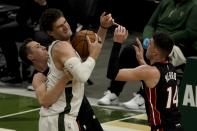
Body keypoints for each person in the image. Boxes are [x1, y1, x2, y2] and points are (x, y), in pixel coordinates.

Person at [20, 8, 115, 131]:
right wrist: (65, 78)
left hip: (77, 109)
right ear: (30, 56)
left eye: (65, 22)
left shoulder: (62, 51)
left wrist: (103, 27)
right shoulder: (45, 68)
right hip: (61, 116)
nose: (43, 47)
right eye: (38, 47)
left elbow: (92, 47)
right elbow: (45, 101)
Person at [98, 0, 197, 109]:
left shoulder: (194, 5)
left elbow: (190, 32)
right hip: (156, 39)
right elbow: (150, 24)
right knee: (130, 49)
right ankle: (113, 92)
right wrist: (148, 38)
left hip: (176, 43)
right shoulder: (166, 2)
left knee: (155, 55)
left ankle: (144, 95)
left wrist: (161, 41)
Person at [107, 25, 184, 131]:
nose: (146, 46)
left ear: (155, 52)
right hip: (176, 126)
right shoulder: (170, 67)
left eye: (150, 44)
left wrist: (117, 43)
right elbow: (153, 78)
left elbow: (112, 74)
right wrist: (142, 61)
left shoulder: (150, 72)